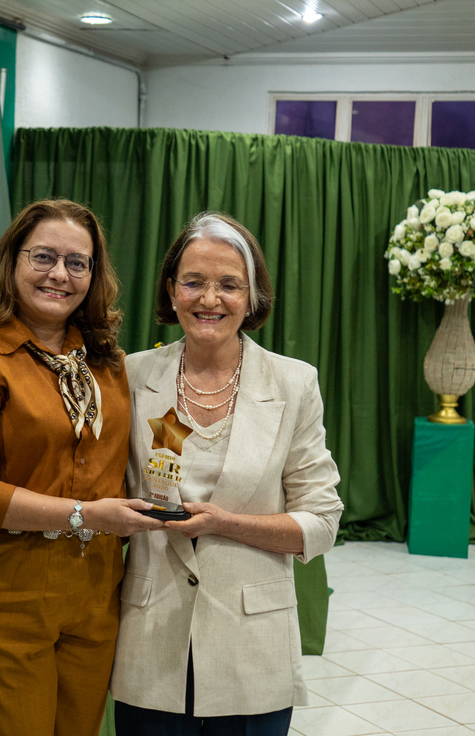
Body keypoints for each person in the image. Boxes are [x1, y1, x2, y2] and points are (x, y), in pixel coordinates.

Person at [0, 200, 162, 736]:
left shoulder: (107, 362)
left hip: (95, 591)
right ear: (10, 262)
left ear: (94, 277)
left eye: (78, 263)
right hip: (5, 589)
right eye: (43, 257)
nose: (59, 274)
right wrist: (85, 514)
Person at [111, 212, 343, 735]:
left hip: (251, 648)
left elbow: (322, 522)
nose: (209, 299)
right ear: (171, 291)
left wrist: (223, 522)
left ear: (253, 296)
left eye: (229, 285)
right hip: (151, 642)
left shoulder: (293, 383)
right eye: (193, 282)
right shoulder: (131, 375)